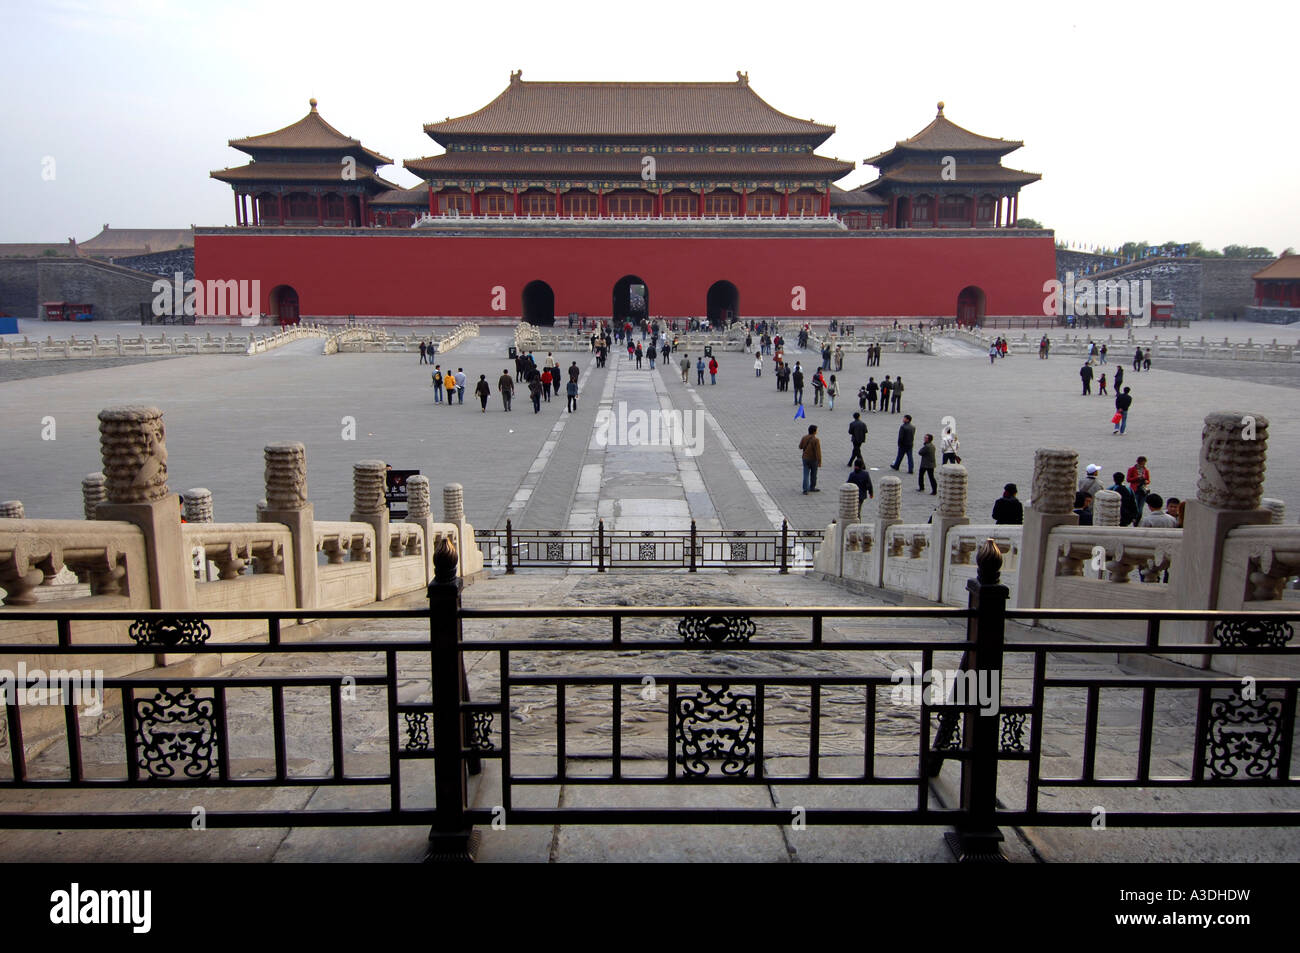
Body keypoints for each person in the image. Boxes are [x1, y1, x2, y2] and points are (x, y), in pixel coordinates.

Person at [799, 425, 822, 494]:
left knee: (805, 474)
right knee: (813, 474)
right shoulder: (816, 440)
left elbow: (800, 447)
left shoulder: (804, 437)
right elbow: (818, 452)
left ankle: (805, 489)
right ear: (814, 431)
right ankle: (812, 487)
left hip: (805, 458)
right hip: (813, 459)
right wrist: (819, 461)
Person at [1127, 456, 1151, 520]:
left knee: (1141, 507)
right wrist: (1137, 478)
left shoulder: (1146, 470)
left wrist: (1146, 481)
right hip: (1135, 490)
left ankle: (1139, 518)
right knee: (1135, 506)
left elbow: (1148, 480)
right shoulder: (1131, 469)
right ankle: (1134, 518)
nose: (1143, 464)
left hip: (1143, 490)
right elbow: (1128, 479)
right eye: (1142, 463)